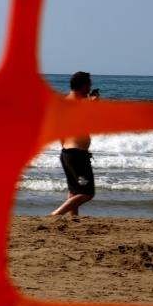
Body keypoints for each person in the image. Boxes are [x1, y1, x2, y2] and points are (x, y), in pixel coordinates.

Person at [50, 71, 99, 217]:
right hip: (76, 155)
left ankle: (73, 220)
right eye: (89, 85)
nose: (90, 89)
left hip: (68, 153)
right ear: (83, 86)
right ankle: (55, 215)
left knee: (74, 191)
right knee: (87, 193)